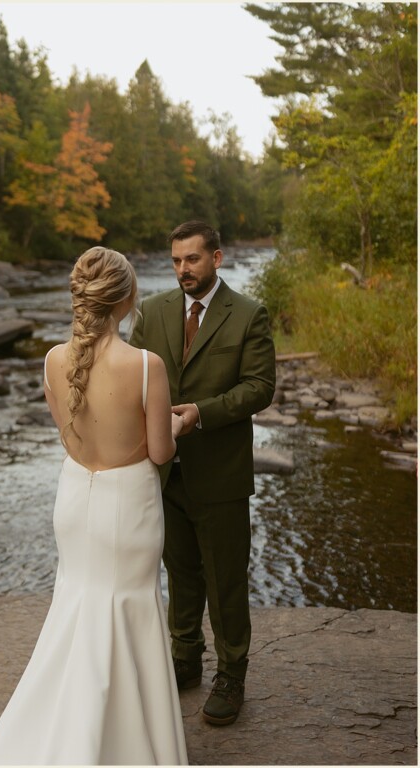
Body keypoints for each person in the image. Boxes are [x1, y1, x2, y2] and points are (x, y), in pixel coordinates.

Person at [0, 248, 187, 765]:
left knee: (76, 603)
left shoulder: (53, 360)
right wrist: (179, 423)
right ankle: (124, 743)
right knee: (128, 607)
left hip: (74, 497)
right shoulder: (146, 366)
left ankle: (70, 728)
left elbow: (71, 439)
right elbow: (161, 452)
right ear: (127, 300)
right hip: (128, 503)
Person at [129, 220, 276, 726]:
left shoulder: (249, 313)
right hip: (163, 472)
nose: (182, 269)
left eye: (191, 259)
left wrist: (200, 413)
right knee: (181, 573)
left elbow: (260, 387)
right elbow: (132, 377)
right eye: (175, 260)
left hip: (221, 474)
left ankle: (232, 674)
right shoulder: (152, 311)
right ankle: (185, 659)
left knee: (226, 580)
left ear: (216, 258)